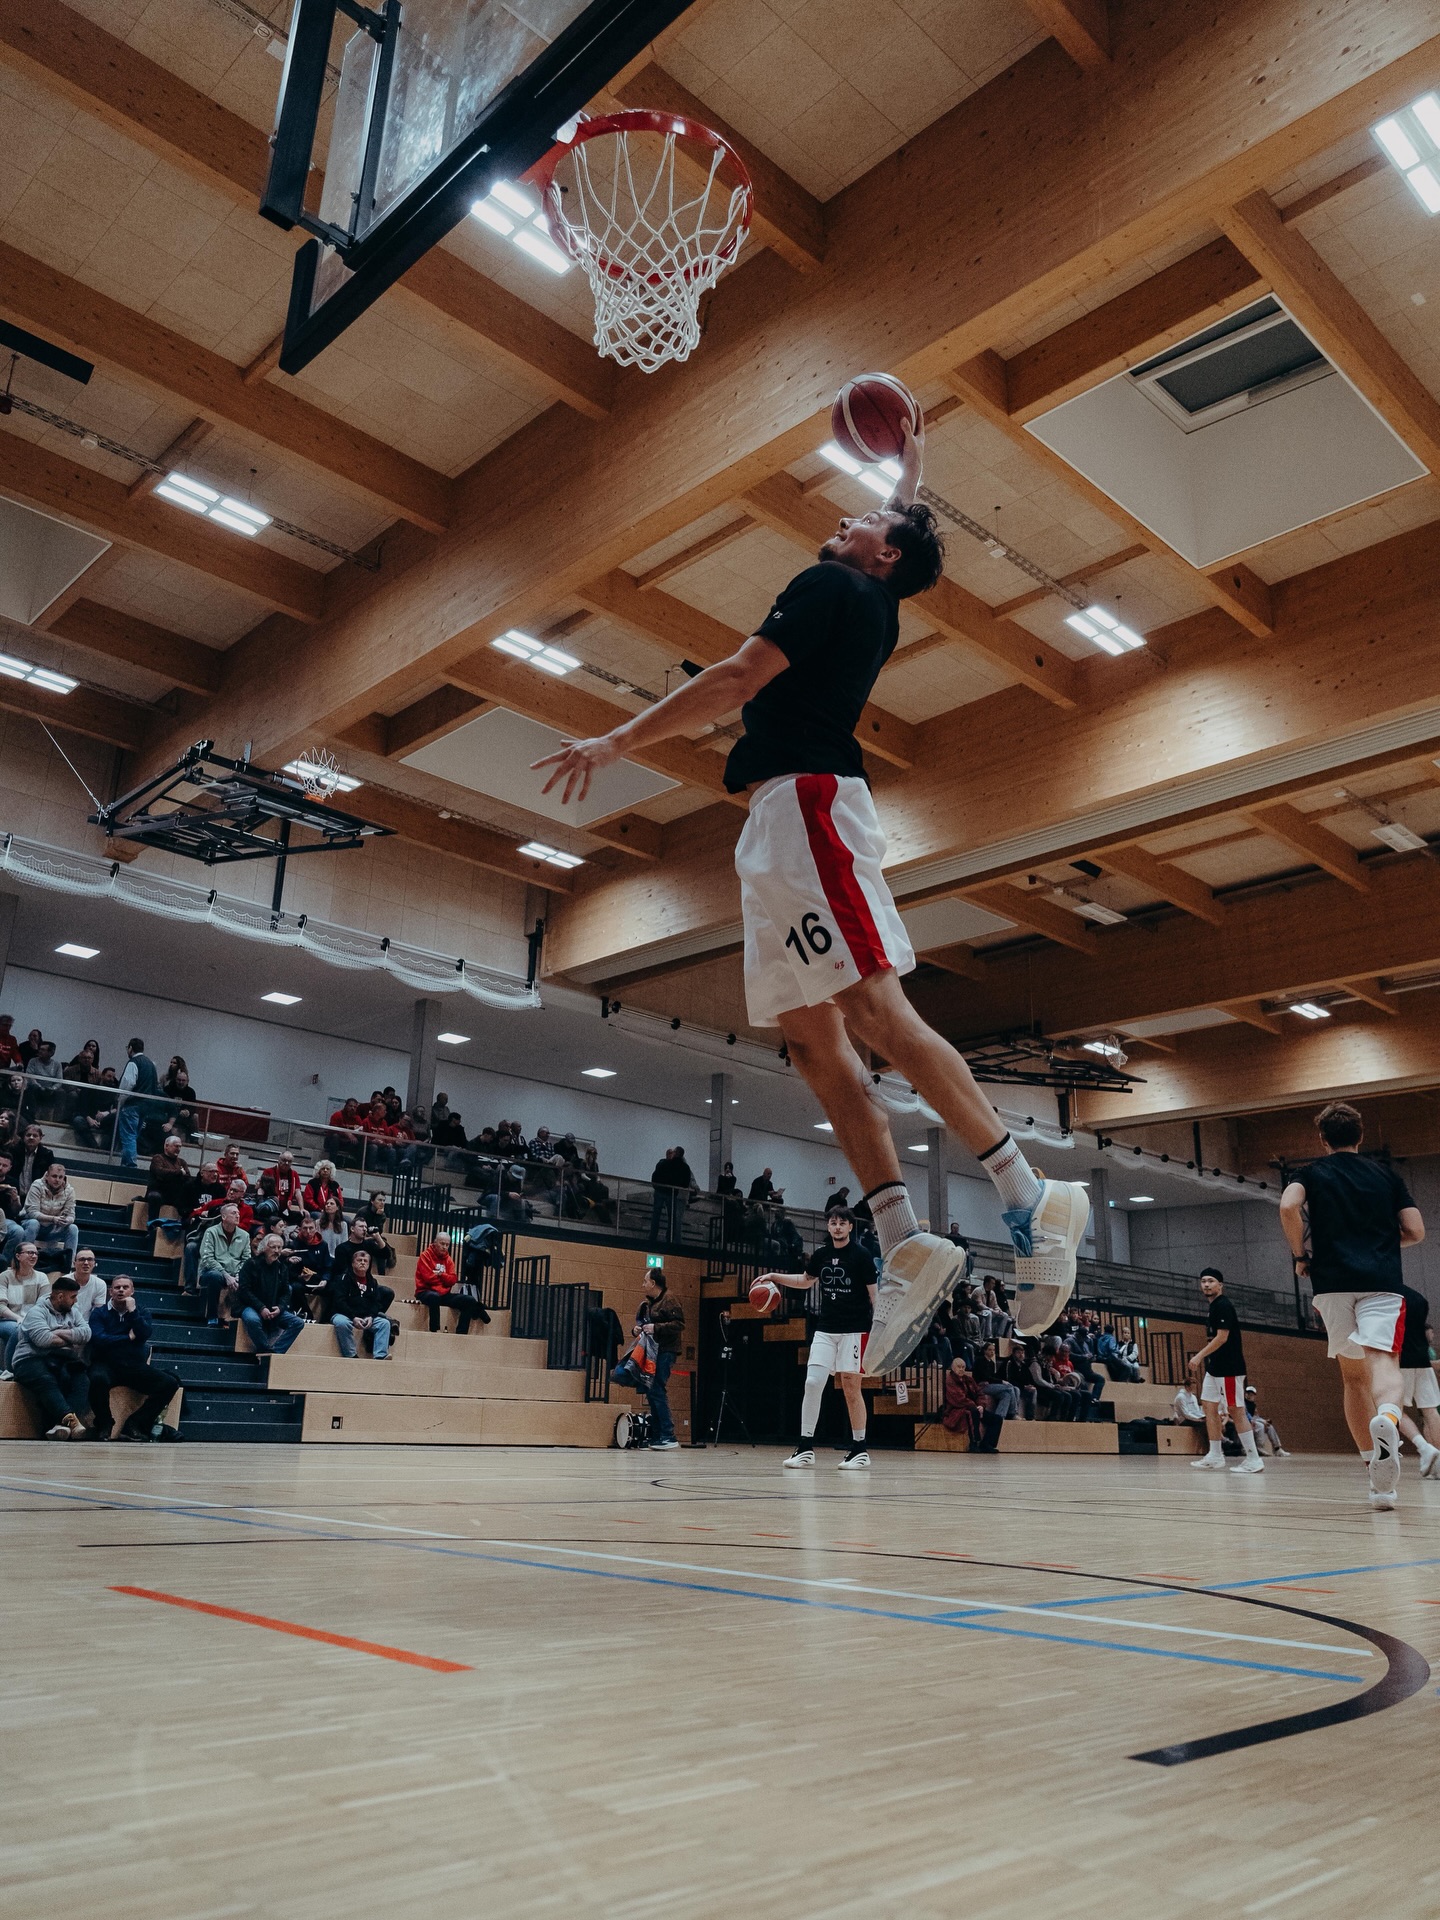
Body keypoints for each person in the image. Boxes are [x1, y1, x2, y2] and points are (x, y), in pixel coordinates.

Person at [534, 414, 1087, 1374]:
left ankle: (1029, 1193)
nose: (848, 514)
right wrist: (910, 457)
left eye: (866, 518)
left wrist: (615, 742)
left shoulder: (831, 582)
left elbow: (739, 674)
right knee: (810, 1039)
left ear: (882, 555)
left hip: (813, 806)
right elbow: (909, 515)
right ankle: (905, 1239)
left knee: (873, 1008)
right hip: (778, 822)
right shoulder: (875, 580)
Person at [1280, 1101, 1425, 1510]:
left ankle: (1379, 1484)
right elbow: (1415, 1230)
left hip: (1332, 1284)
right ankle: (1391, 1420)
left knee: (1353, 1378)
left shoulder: (1309, 1172)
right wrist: (1378, 1242)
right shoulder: (1386, 1175)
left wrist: (1300, 1255)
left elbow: (1289, 1206)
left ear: (1323, 1139)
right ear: (1360, 1136)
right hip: (1380, 1282)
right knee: (1383, 1363)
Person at [757, 1207, 877, 1470]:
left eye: (842, 1223)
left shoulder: (862, 1255)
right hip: (825, 1329)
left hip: (855, 1330)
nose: (836, 1227)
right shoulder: (822, 1255)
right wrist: (774, 1276)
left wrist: (878, 1330)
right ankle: (805, 1447)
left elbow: (874, 1295)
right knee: (812, 1382)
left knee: (850, 1387)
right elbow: (805, 1280)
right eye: (833, 1223)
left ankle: (860, 1449)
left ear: (850, 1227)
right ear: (828, 1227)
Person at [1186, 1267, 1264, 1474]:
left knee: (1235, 1409)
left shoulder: (1223, 1306)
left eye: (1211, 1281)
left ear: (1220, 1285)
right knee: (1209, 1407)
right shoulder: (1213, 1307)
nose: (1206, 1285)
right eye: (1203, 1281)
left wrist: (1199, 1355)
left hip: (1229, 1367)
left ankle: (1254, 1458)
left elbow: (1222, 1337)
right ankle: (1215, 1454)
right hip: (1215, 1368)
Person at [86, 1274, 182, 1441]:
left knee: (169, 1383)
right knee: (97, 1379)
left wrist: (132, 1312)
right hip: (106, 1364)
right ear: (110, 1291)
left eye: (125, 1287)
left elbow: (144, 1334)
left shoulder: (141, 1312)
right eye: (117, 1287)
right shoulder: (99, 1313)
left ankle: (135, 1423)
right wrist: (127, 1338)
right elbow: (100, 1340)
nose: (121, 1290)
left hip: (133, 1365)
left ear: (132, 1291)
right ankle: (104, 1423)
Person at [10, 1272, 91, 1438]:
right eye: (73, 1297)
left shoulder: (73, 1311)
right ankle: (71, 1421)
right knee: (46, 1379)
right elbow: (44, 1340)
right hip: (29, 1359)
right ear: (60, 1296)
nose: (76, 1301)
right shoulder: (36, 1312)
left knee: (82, 1380)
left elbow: (87, 1333)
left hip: (59, 1359)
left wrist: (59, 1332)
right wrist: (71, 1338)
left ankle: (60, 1427)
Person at [632, 1268, 683, 1449]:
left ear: (653, 1283)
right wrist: (637, 1330)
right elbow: (643, 1322)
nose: (643, 1284)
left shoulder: (669, 1300)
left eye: (645, 1281)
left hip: (666, 1351)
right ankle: (656, 1436)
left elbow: (679, 1324)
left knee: (657, 1389)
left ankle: (668, 1435)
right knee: (651, 1390)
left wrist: (656, 1328)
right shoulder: (649, 1303)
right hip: (653, 1351)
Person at [1393, 1280, 1440, 1476]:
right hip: (1422, 1358)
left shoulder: (1389, 1296)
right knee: (1431, 1411)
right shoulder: (1419, 1299)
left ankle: (1424, 1447)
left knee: (1395, 1409)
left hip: (1400, 1359)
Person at [234, 1233, 305, 1358]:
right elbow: (244, 1291)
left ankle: (276, 1352)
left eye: (279, 1247)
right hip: (250, 1306)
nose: (277, 1251)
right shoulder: (251, 1264)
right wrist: (261, 1308)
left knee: (298, 1323)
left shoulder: (282, 1267)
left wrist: (280, 1308)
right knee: (252, 1319)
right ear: (264, 1248)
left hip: (273, 1308)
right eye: (273, 1247)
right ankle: (265, 1350)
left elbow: (286, 1292)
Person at [414, 1229, 487, 1333]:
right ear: (435, 1243)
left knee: (469, 1300)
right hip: (425, 1291)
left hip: (444, 1294)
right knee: (434, 1297)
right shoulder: (425, 1256)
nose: (444, 1247)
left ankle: (461, 1333)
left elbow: (452, 1280)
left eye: (447, 1245)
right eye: (442, 1244)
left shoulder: (449, 1260)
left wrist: (441, 1274)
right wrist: (444, 1279)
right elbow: (428, 1278)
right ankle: (435, 1330)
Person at [330, 1246, 395, 1359]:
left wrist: (370, 1316)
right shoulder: (343, 1279)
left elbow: (375, 1303)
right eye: (359, 1260)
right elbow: (339, 1301)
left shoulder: (372, 1282)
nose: (363, 1263)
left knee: (384, 1323)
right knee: (341, 1323)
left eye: (365, 1261)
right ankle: (351, 1355)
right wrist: (353, 1317)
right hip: (344, 1314)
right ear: (352, 1263)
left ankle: (380, 1356)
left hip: (365, 1316)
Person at [196, 1202, 250, 1327]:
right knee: (215, 1276)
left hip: (235, 1274)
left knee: (251, 1278)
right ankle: (212, 1316)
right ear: (223, 1217)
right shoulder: (211, 1232)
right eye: (233, 1213)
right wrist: (226, 1275)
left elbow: (246, 1260)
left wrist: (237, 1275)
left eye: (238, 1213)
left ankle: (237, 1317)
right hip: (210, 1273)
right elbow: (207, 1258)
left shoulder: (245, 1235)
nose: (238, 1215)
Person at [22, 1160, 78, 1270]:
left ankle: (68, 1265)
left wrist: (66, 1220)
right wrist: (53, 1219)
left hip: (53, 1229)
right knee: (33, 1223)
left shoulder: (70, 1190)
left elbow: (72, 1215)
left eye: (60, 1177)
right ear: (47, 1176)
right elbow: (32, 1213)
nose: (57, 1180)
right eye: (54, 1176)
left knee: (73, 1228)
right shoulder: (37, 1185)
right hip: (32, 1226)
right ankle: (24, 1261)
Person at [0, 1238, 44, 1374]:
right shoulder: (5, 1276)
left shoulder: (41, 1277)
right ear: (18, 1256)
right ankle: (10, 1370)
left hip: (31, 1320)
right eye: (30, 1253)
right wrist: (18, 1318)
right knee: (17, 1329)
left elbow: (44, 1304)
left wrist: (31, 1320)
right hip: (7, 1320)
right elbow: (1, 1306)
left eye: (36, 1253)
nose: (34, 1256)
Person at [116, 1037, 161, 1169]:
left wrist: (120, 1100)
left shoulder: (134, 1062)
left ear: (130, 1048)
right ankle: (127, 1163)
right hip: (146, 1106)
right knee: (134, 1136)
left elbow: (128, 1084)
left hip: (133, 1104)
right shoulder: (151, 1065)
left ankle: (129, 1165)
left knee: (128, 1136)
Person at [943, 1354, 1003, 1452]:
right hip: (957, 1409)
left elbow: (980, 1394)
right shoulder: (950, 1380)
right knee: (972, 1413)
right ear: (953, 1368)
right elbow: (958, 1399)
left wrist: (981, 1406)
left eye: (963, 1367)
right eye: (959, 1367)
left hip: (974, 1407)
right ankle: (974, 1443)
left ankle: (987, 1444)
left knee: (997, 1419)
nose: (961, 1369)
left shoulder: (969, 1380)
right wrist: (975, 1406)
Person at [1241, 1384, 1291, 1460]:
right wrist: (1258, 1421)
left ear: (1255, 1396)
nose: (1249, 1396)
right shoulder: (1243, 1403)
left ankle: (1277, 1448)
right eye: (1248, 1394)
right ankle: (1260, 1447)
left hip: (1253, 1420)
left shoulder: (1254, 1405)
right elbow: (1245, 1415)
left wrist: (1264, 1421)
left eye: (1252, 1394)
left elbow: (1256, 1416)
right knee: (1260, 1426)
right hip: (1245, 1421)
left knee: (1269, 1426)